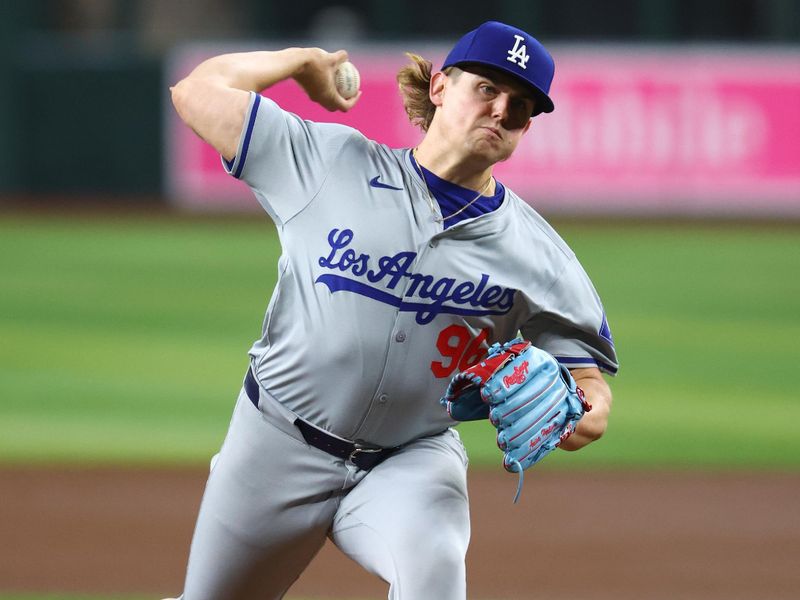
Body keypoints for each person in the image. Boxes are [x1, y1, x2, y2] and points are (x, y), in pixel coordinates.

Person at [167, 20, 617, 600]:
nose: (502, 111)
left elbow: (591, 391)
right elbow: (195, 92)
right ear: (440, 88)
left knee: (434, 572)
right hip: (275, 443)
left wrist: (578, 411)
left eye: (522, 106)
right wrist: (302, 61)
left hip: (411, 461)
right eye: (487, 89)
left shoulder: (541, 255)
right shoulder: (329, 163)